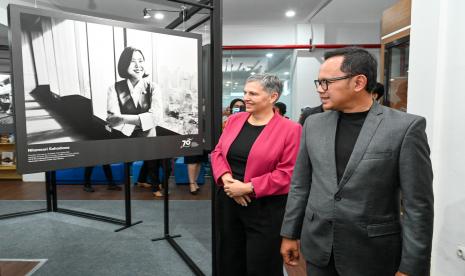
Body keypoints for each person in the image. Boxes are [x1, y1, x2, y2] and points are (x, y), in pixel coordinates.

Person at [280, 47, 434, 276]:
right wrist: (289, 233)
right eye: (318, 82)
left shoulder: (404, 128)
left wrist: (411, 267)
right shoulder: (314, 124)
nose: (320, 90)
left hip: (372, 253)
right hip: (319, 249)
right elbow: (300, 185)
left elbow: (417, 206)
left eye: (326, 82)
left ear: (359, 82)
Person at [211, 74, 302, 276]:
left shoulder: (291, 129)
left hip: (265, 208)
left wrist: (247, 187)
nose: (246, 98)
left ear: (272, 97)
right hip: (228, 201)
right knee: (229, 258)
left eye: (253, 93)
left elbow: (288, 173)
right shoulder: (234, 120)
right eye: (245, 92)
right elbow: (217, 152)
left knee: (262, 264)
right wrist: (228, 181)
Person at [106, 46, 162, 137]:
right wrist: (144, 121)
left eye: (140, 61)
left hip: (149, 141)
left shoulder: (154, 87)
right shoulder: (113, 88)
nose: (138, 65)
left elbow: (156, 118)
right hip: (124, 142)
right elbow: (112, 120)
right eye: (132, 61)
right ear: (124, 64)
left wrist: (122, 118)